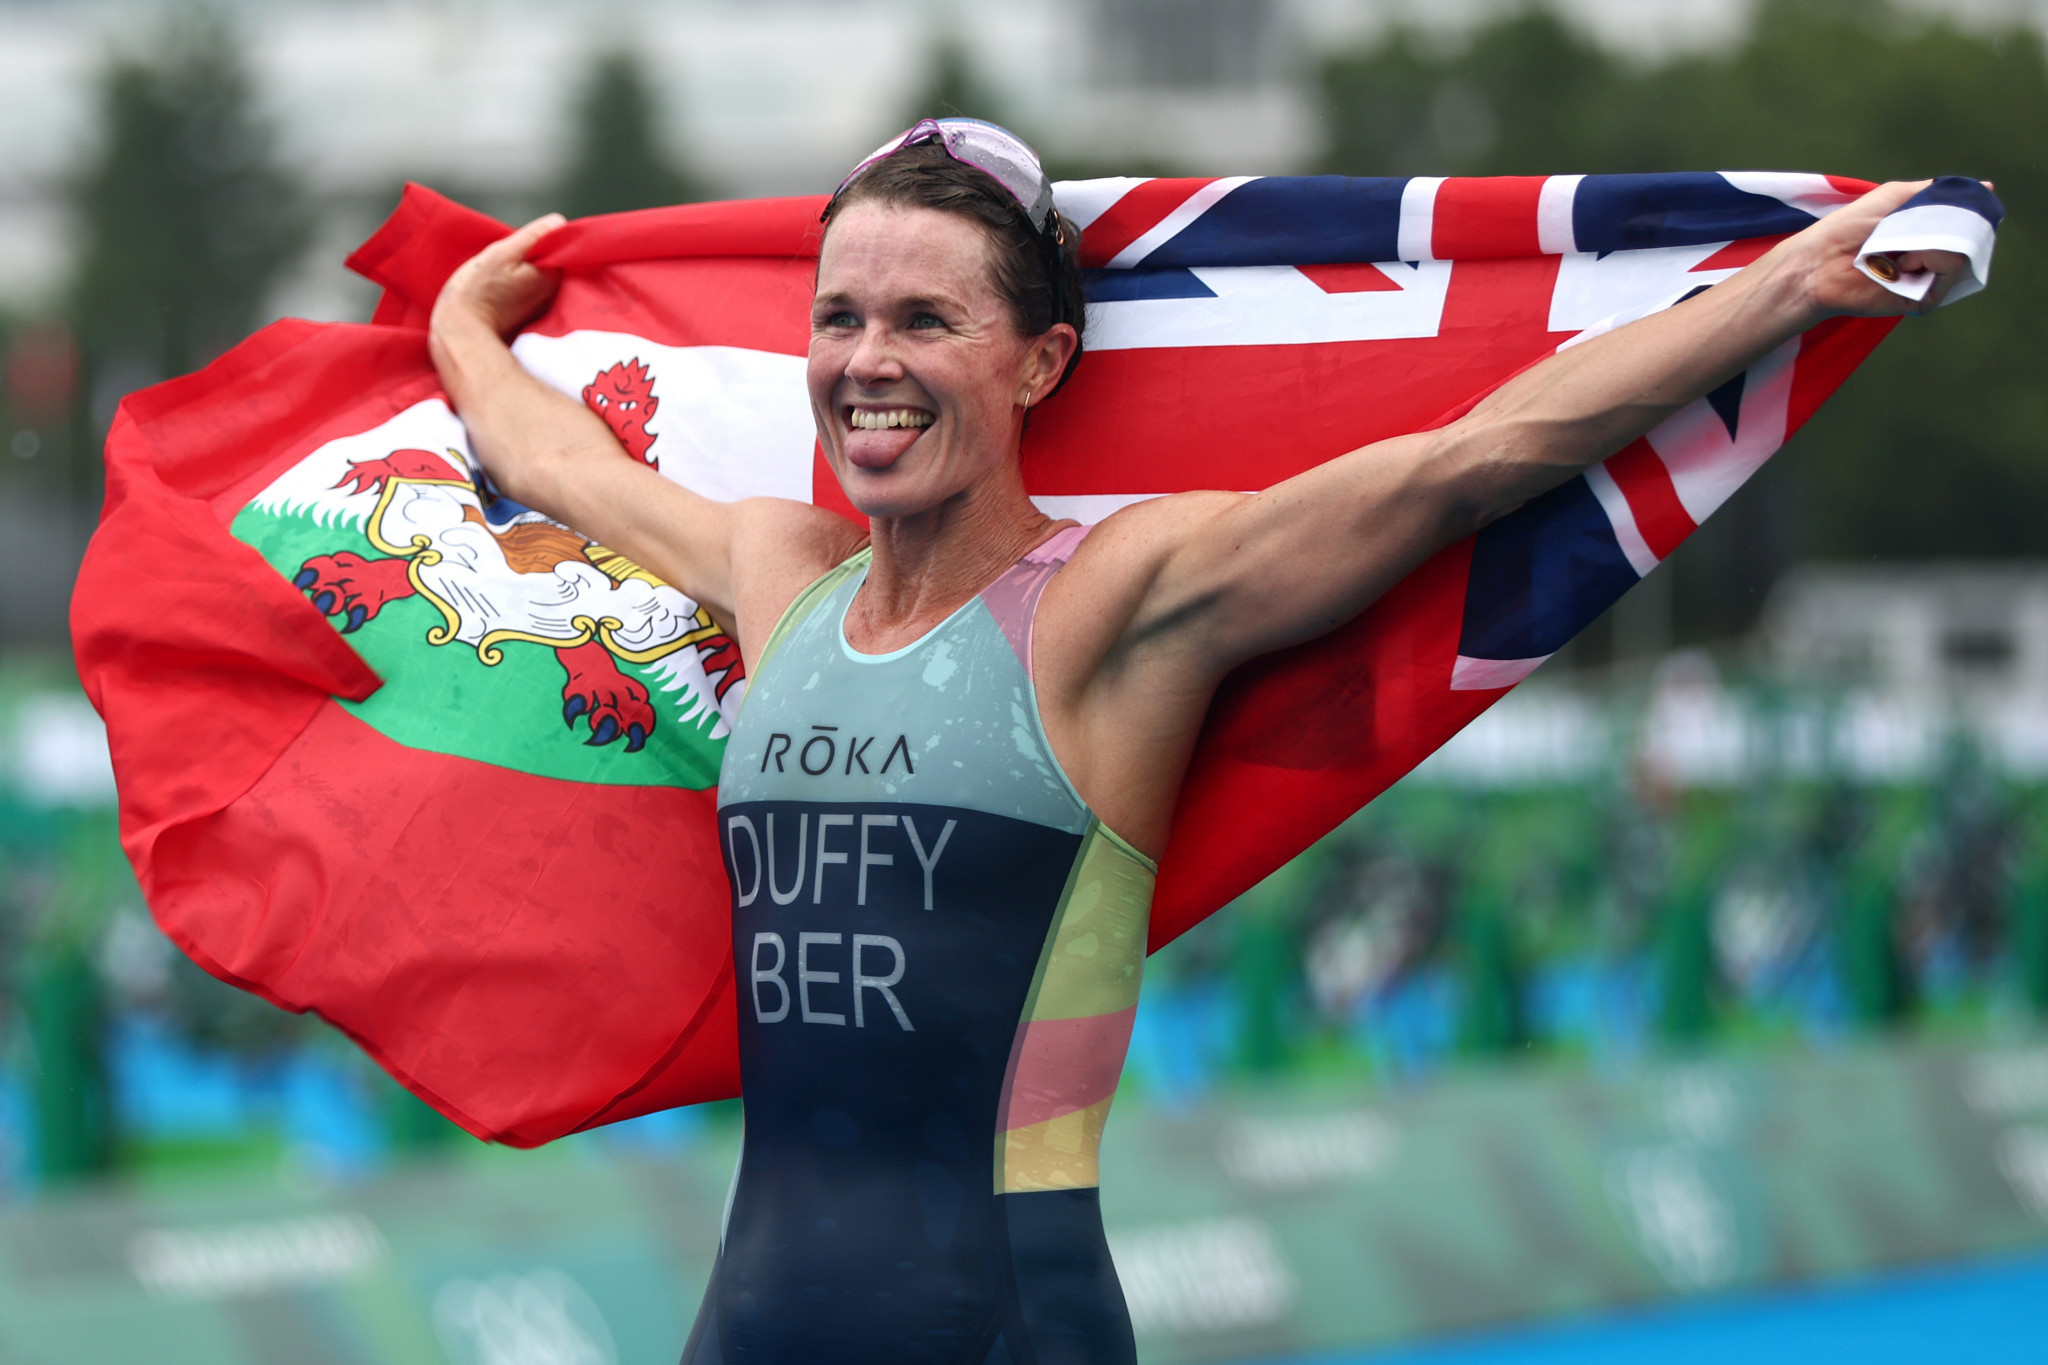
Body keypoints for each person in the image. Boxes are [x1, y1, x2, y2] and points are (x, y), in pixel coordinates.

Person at [427, 120, 1970, 1364]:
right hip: (751, 1313)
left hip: (1002, 1315)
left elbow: (1473, 460)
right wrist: (459, 327)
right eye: (840, 314)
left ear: (1037, 361)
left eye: (925, 317)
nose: (866, 358)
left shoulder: (1117, 604)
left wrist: (1793, 284)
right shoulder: (782, 578)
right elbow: (555, 460)